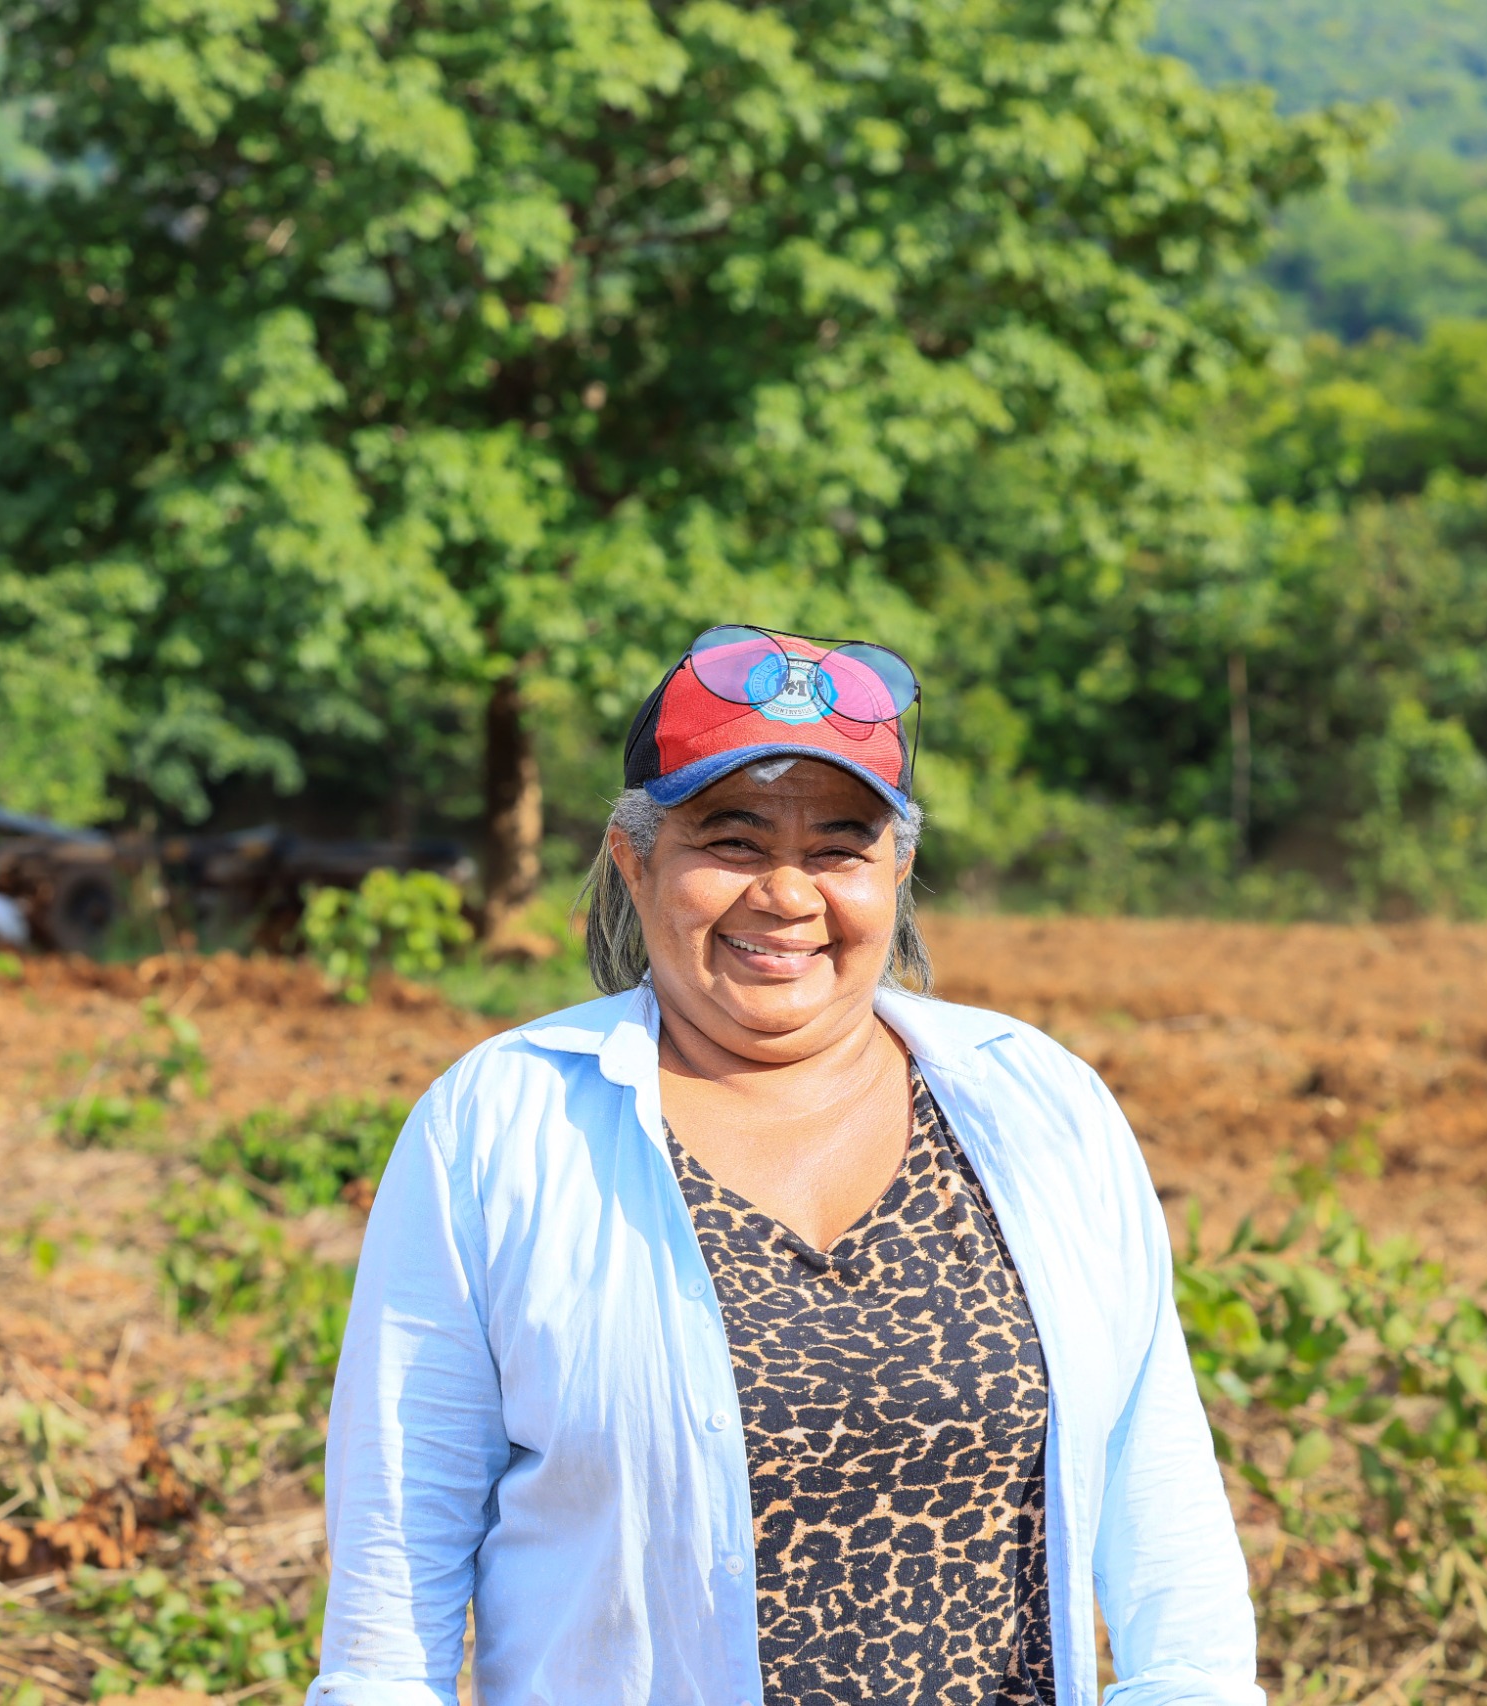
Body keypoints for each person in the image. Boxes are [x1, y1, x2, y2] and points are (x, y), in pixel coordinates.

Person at [311, 625, 1257, 1706]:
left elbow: (1159, 1492)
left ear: (896, 868)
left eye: (839, 846)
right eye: (734, 839)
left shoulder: (1040, 1104)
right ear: (635, 859)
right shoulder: (501, 1124)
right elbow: (398, 1549)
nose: (786, 894)